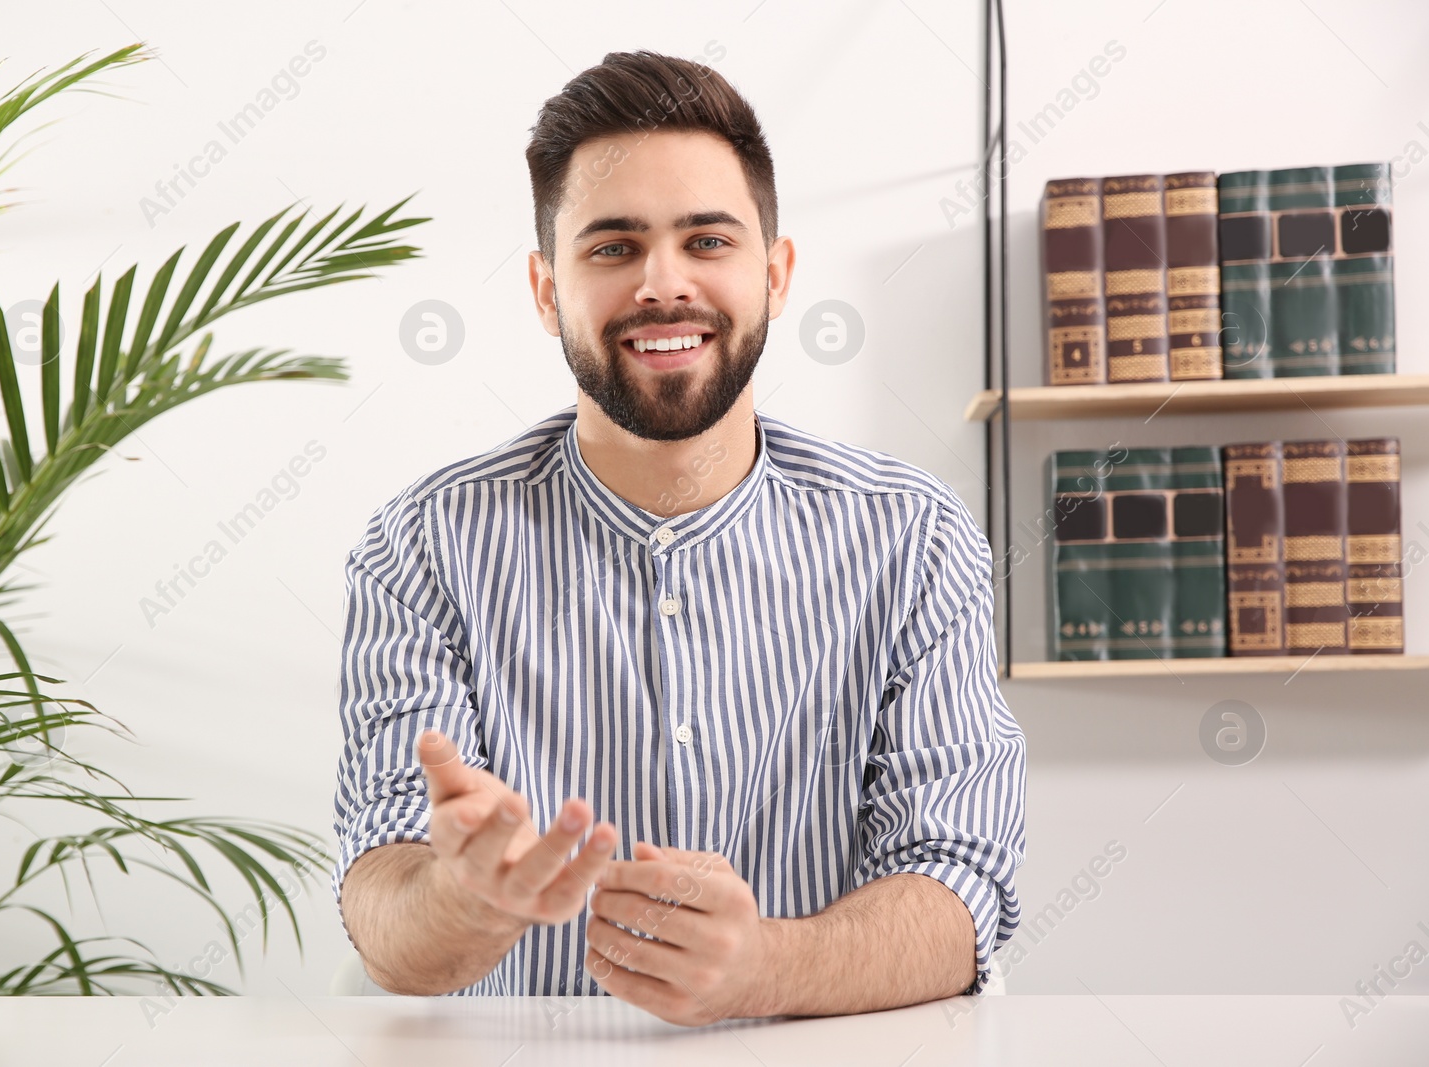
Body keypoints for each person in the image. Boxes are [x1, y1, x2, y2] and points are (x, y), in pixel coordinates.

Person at [331, 49, 1026, 1027]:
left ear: (775, 274)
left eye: (707, 241)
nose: (663, 284)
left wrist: (766, 966)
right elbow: (384, 910)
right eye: (612, 248)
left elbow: (963, 891)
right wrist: (464, 895)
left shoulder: (915, 537)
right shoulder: (423, 545)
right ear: (544, 289)